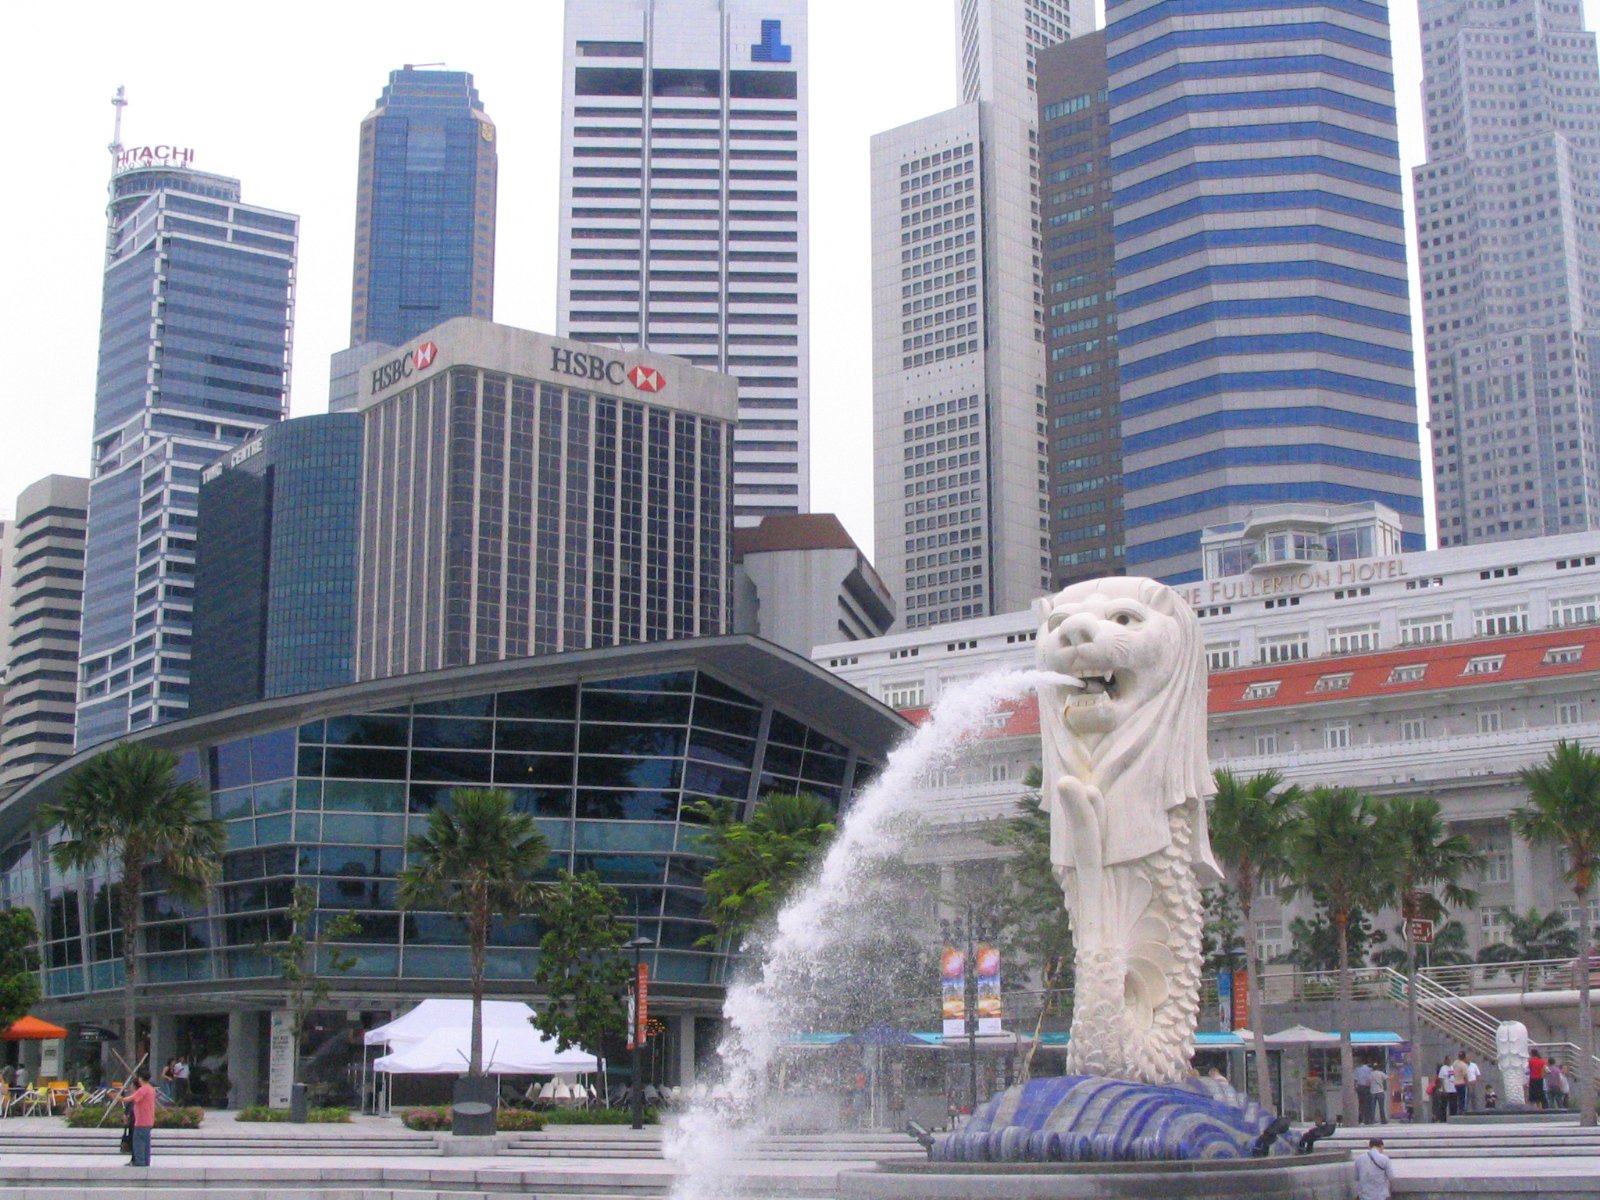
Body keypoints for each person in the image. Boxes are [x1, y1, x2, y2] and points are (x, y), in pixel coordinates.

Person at [120, 1072, 156, 1167]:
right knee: (146, 1143)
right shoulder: (151, 1089)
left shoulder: (143, 1089)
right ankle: (146, 1161)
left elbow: (132, 1098)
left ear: (140, 1079)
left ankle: (140, 1162)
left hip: (141, 1121)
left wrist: (120, 1098)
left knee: (138, 1143)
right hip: (149, 1120)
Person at [1354, 1060, 1374, 1124]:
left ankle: (1360, 1119)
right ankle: (1367, 1120)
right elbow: (1370, 1079)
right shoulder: (1370, 1069)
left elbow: (1355, 1079)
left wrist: (1355, 1087)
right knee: (1368, 1104)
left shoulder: (1357, 1069)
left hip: (1360, 1087)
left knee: (1361, 1104)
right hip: (1367, 1087)